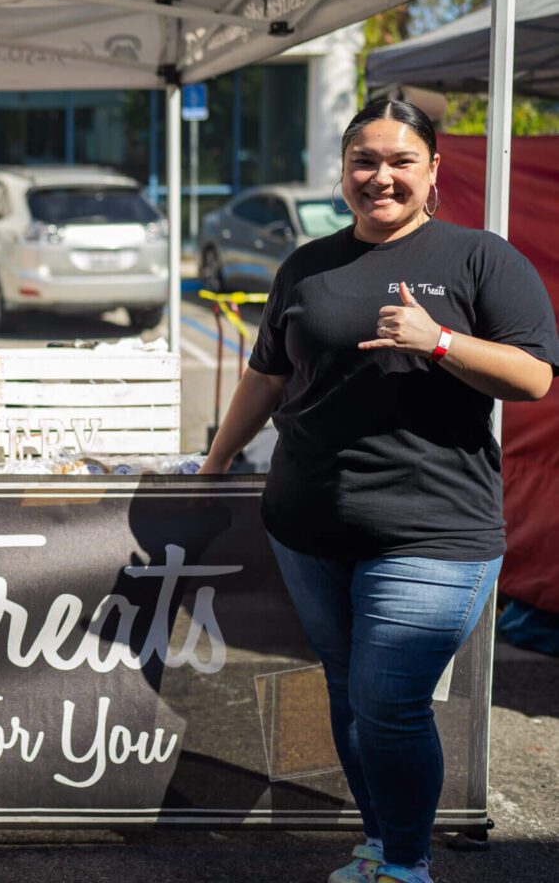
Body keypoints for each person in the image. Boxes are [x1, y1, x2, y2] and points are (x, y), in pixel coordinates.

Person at [200, 99, 558, 883]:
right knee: (348, 691)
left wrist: (440, 341)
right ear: (343, 172)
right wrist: (216, 462)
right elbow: (269, 374)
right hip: (309, 525)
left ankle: (403, 863)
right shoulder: (307, 265)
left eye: (401, 161)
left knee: (389, 702)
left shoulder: (481, 260)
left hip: (432, 531)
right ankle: (379, 841)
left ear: (434, 171)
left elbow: (534, 377)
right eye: (365, 161)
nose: (381, 177)